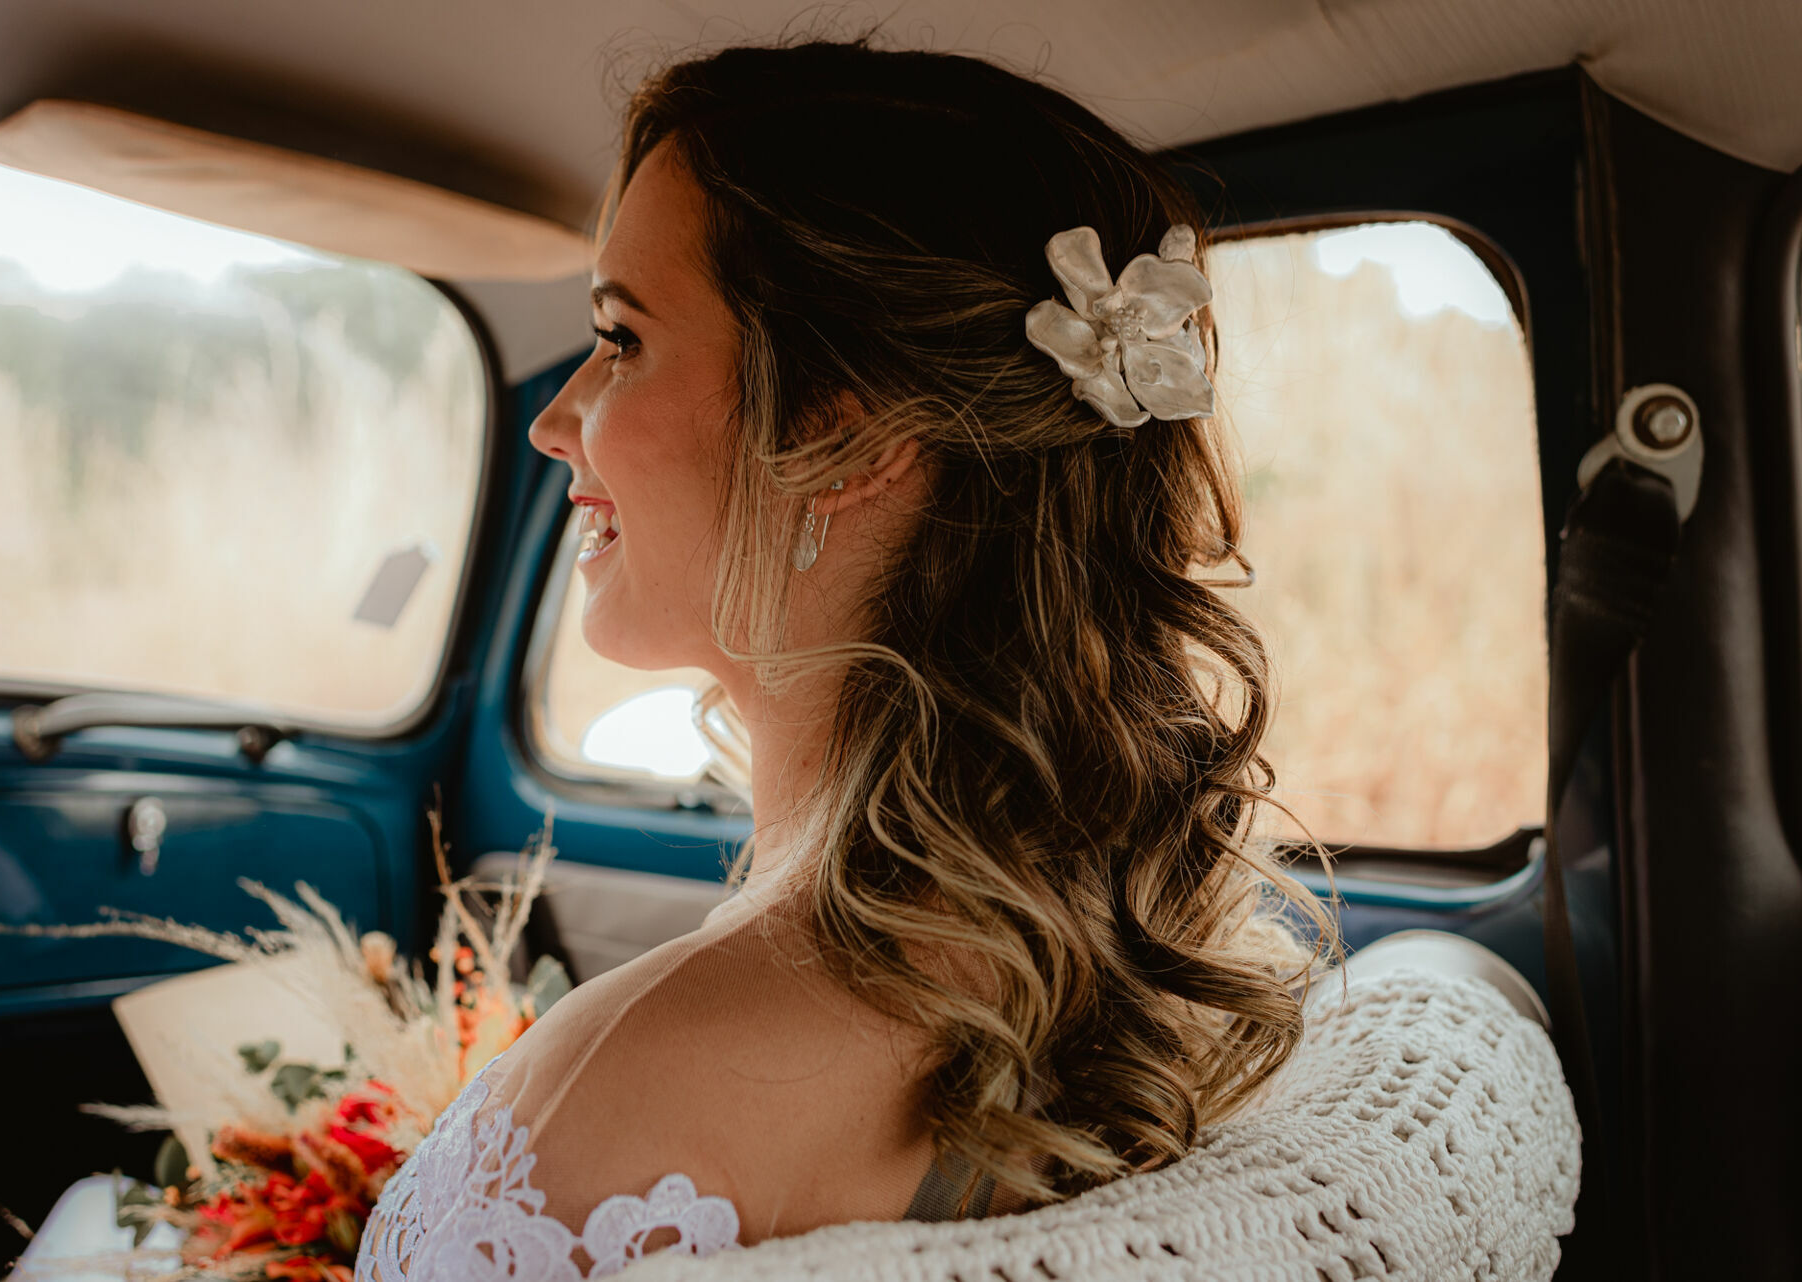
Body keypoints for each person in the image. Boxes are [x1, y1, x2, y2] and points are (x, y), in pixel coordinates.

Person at [356, 37, 1334, 1281]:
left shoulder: (625, 1091)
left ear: (842, 426)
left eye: (622, 337)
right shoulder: (1135, 946)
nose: (556, 421)